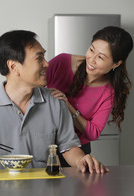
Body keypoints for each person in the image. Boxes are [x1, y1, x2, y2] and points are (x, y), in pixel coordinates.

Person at [0, 26, 133, 167]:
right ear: (13, 66)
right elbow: (18, 81)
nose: (47, 64)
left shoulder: (57, 104)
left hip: (51, 177)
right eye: (39, 58)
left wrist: (82, 160)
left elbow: (70, 145)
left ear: (116, 64)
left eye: (101, 57)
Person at [46, 26, 133, 165]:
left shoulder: (108, 92)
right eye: (91, 50)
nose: (91, 60)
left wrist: (68, 107)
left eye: (100, 57)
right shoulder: (62, 62)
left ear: (116, 63)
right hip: (44, 143)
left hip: (77, 152)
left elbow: (93, 132)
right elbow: (29, 83)